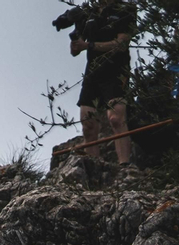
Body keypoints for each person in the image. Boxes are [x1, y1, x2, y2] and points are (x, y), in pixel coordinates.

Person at [69, 0, 138, 164]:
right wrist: (76, 43)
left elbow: (121, 44)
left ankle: (125, 165)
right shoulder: (88, 13)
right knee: (88, 123)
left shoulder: (125, 9)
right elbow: (75, 51)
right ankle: (94, 167)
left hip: (116, 70)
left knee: (116, 118)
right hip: (92, 73)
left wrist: (89, 46)